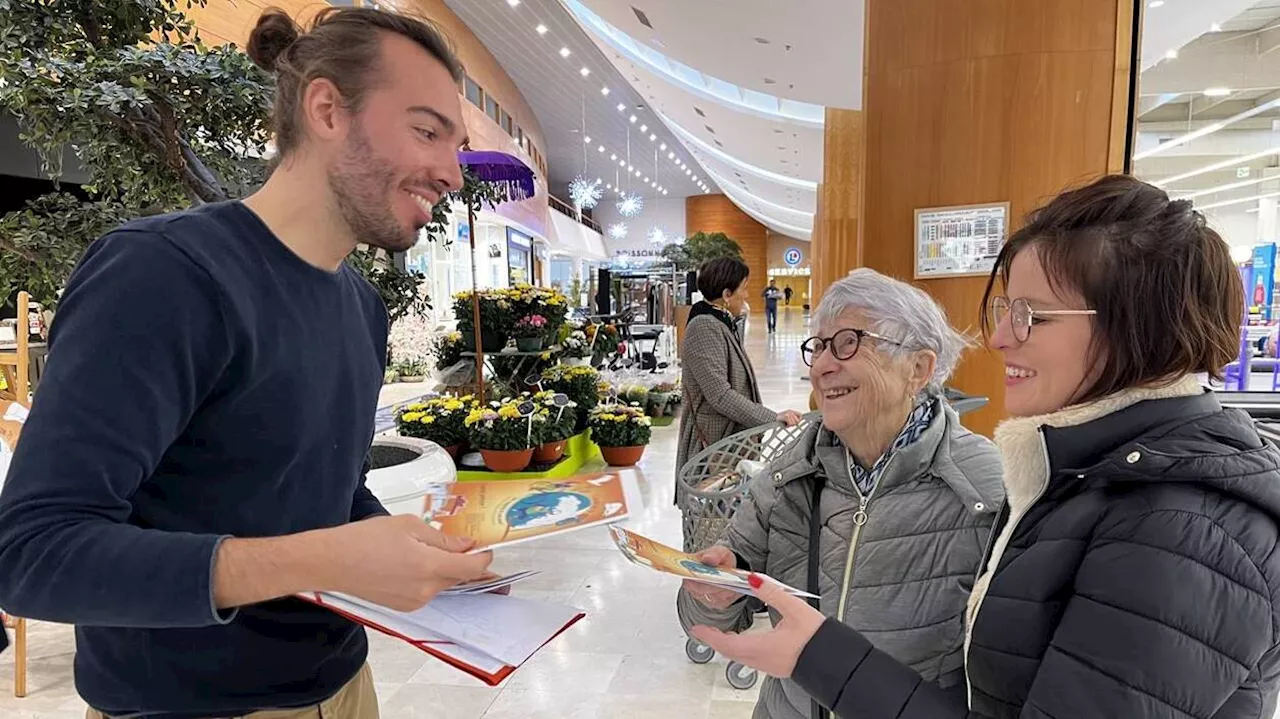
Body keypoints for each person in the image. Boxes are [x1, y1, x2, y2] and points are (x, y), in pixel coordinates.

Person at [0, 7, 494, 719]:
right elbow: (33, 554)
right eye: (427, 131)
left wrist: (414, 552)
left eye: (457, 144)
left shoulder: (361, 306)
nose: (450, 170)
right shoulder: (165, 275)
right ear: (327, 108)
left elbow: (321, 494)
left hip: (345, 690)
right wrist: (326, 560)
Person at [689, 175, 1280, 718]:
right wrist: (714, 593)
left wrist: (822, 658)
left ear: (1135, 325)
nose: (998, 339)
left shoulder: (1172, 526)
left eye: (1030, 316)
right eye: (817, 346)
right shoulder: (1068, 481)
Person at [678, 269, 1004, 719]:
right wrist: (714, 590)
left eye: (848, 342)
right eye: (819, 346)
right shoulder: (791, 471)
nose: (822, 366)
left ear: (918, 368)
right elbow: (706, 612)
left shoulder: (984, 491)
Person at [679, 258, 801, 484]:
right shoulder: (704, 326)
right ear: (726, 294)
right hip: (712, 448)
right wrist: (771, 417)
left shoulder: (721, 322)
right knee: (711, 514)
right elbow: (720, 394)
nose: (746, 295)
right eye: (743, 288)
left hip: (728, 444)